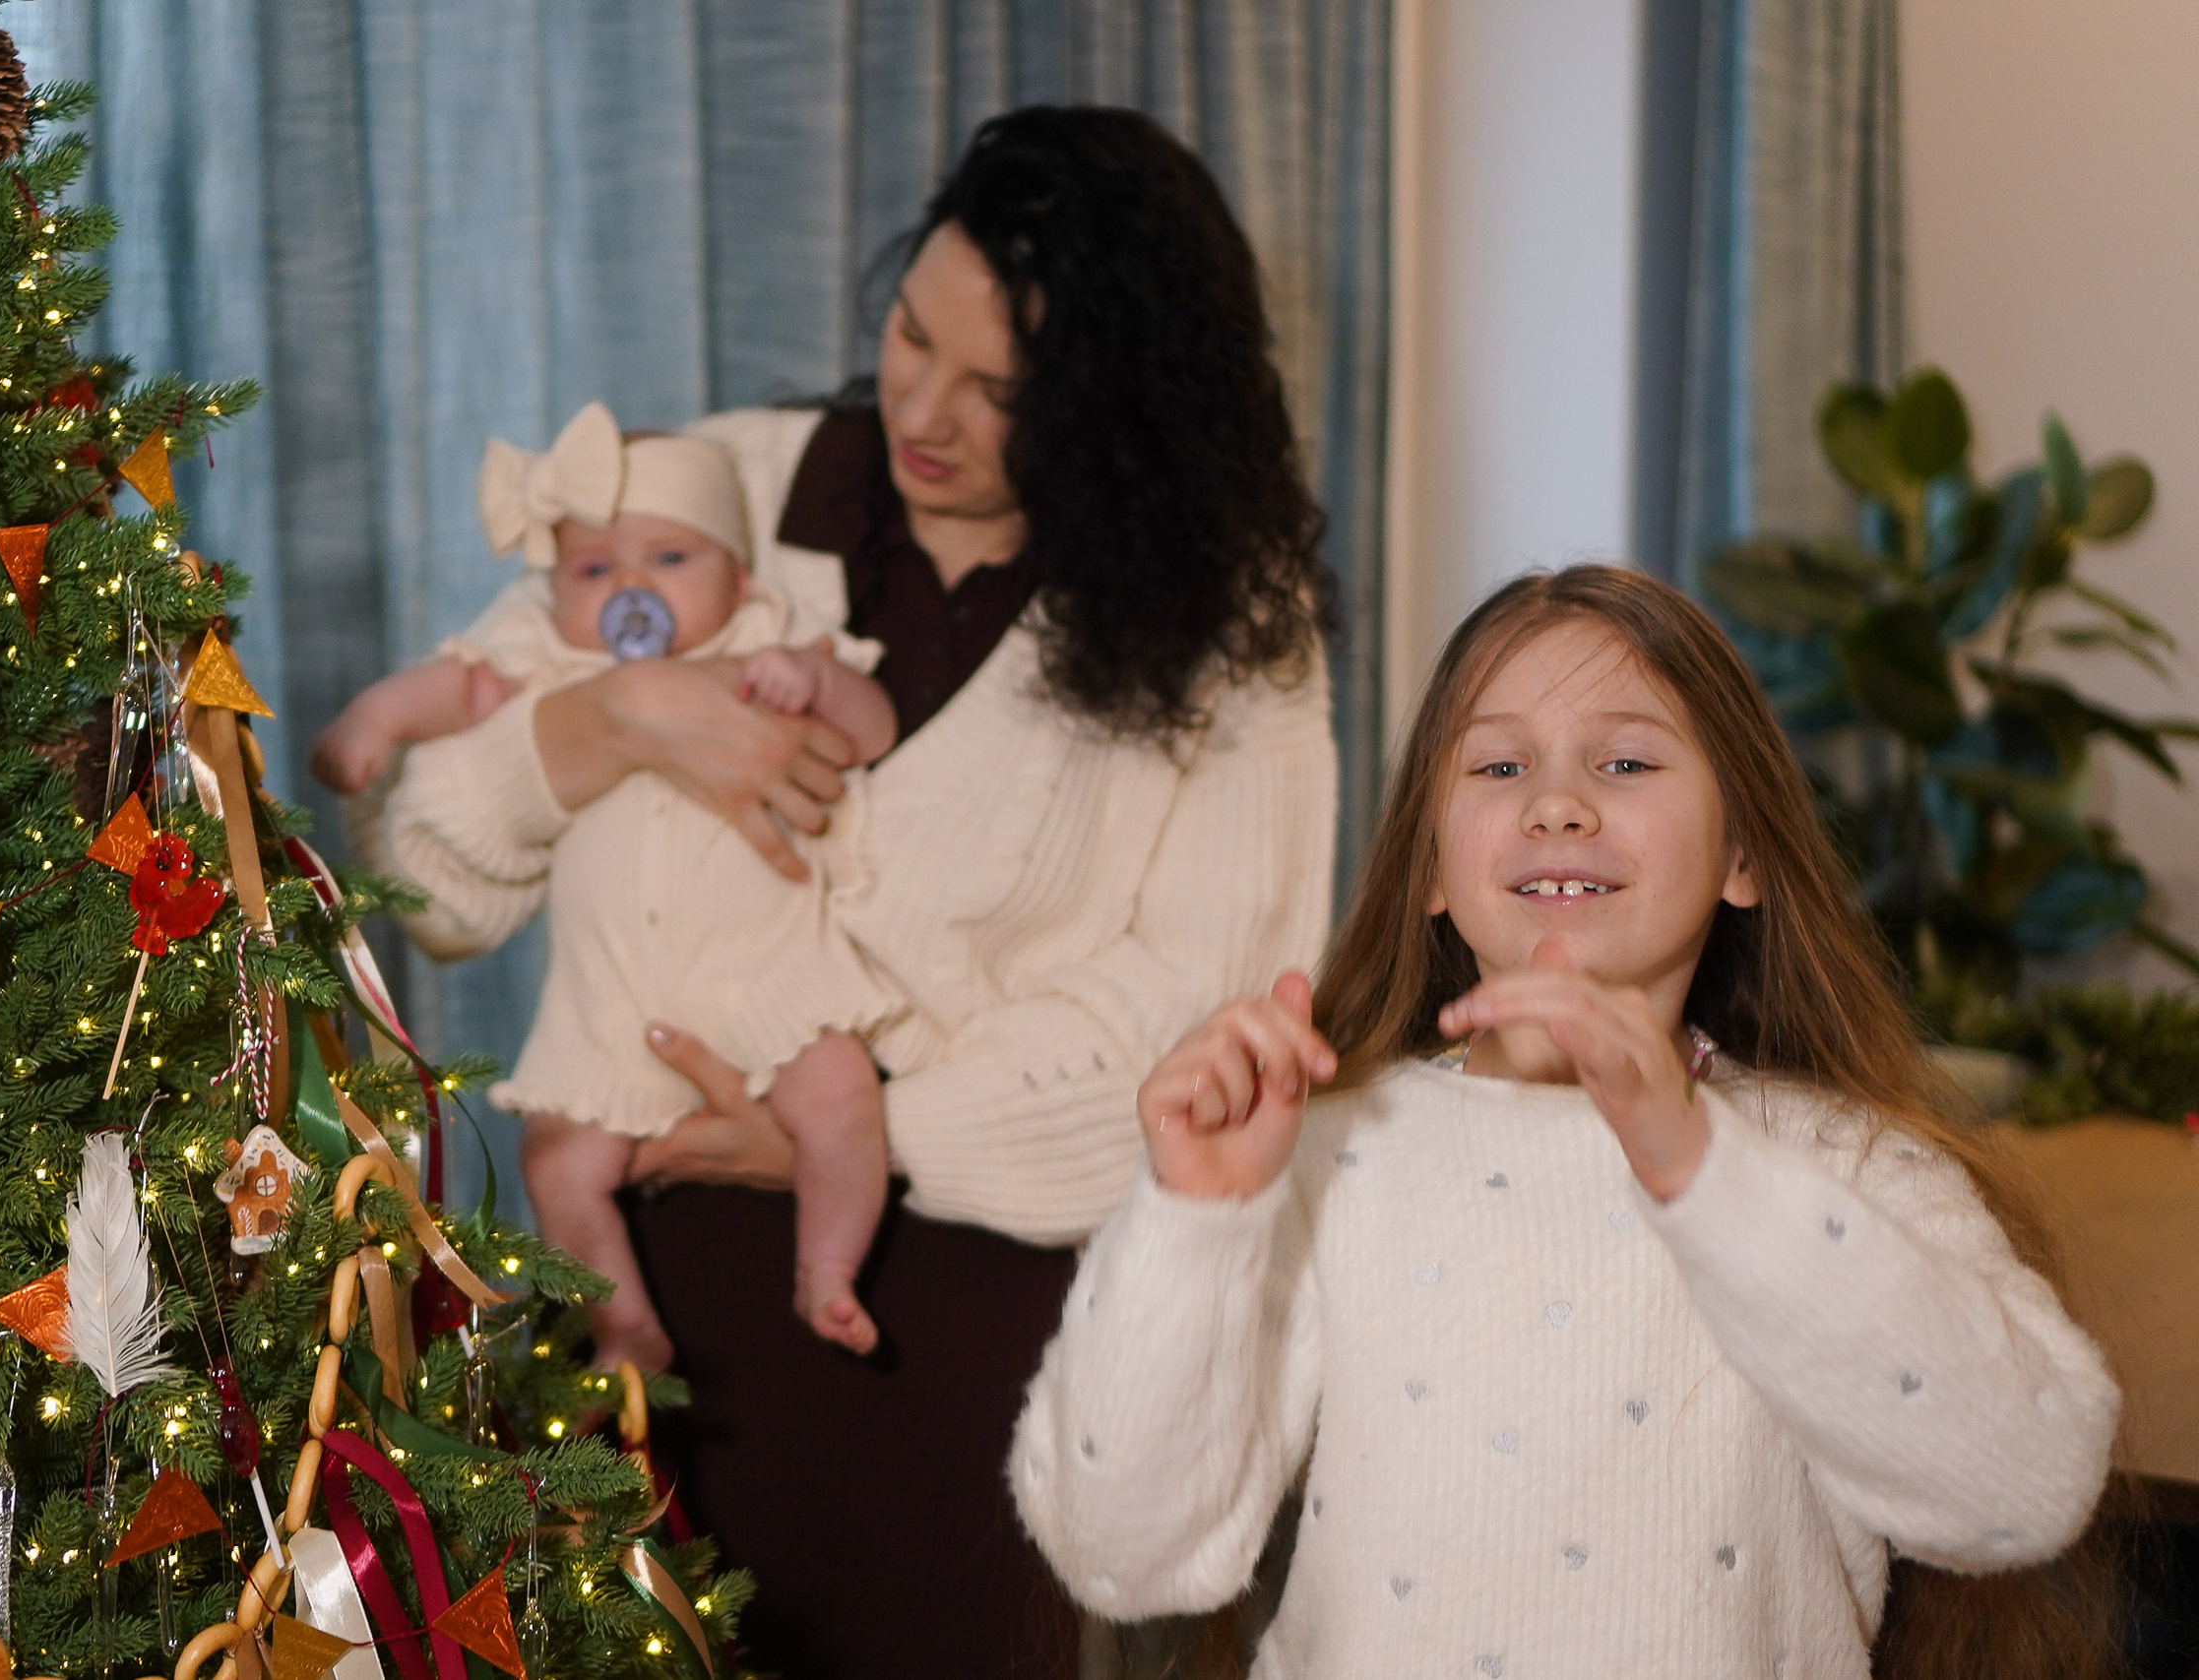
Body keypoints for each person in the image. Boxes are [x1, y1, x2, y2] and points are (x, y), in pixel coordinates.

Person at [359, 106, 1339, 1675]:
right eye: (906, 333)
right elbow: (427, 876)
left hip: (956, 1342)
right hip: (631, 1299)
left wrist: (859, 1118)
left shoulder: (1228, 626)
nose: (923, 409)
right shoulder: (728, 490)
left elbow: (1208, 1026)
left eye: (997, 390)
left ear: (1115, 412)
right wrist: (605, 723)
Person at [1011, 566, 2119, 1677]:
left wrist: (1698, 1167)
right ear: (1433, 870)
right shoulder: (1325, 1155)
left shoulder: (1852, 1169)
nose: (1555, 803)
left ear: (1744, 856)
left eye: (1625, 762)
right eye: (1498, 766)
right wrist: (1194, 1219)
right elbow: (1123, 1559)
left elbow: (2025, 1489)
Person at [314, 402, 902, 1368]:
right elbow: (454, 690)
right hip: (612, 1000)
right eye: (596, 570)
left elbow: (871, 728)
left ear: (740, 578)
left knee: (839, 1099)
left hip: (769, 972)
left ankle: (827, 1270)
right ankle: (622, 1322)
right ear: (559, 592)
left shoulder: (772, 642)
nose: (634, 588)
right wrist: (373, 724)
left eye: (671, 561)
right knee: (557, 1159)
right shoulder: (554, 661)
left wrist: (813, 681)